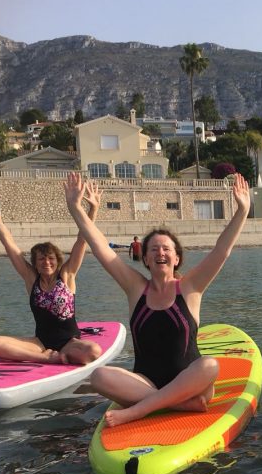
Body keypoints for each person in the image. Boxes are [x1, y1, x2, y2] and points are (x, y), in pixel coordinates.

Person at [65, 172, 251, 427]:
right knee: (98, 376)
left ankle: (138, 411)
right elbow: (101, 249)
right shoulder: (135, 288)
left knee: (209, 366)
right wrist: (76, 209)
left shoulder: (190, 287)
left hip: (191, 385)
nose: (160, 252)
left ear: (176, 259)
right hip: (145, 383)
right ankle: (175, 405)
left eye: (166, 249)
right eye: (153, 249)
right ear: (146, 259)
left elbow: (222, 250)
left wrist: (242, 211)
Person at [0, 176, 102, 365]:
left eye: (51, 258)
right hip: (39, 344)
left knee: (93, 351)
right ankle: (44, 359)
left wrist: (93, 209)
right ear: (35, 263)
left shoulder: (67, 275)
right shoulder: (31, 279)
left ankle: (57, 356)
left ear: (57, 261)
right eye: (42, 259)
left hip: (69, 342)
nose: (47, 262)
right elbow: (8, 242)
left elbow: (82, 239)